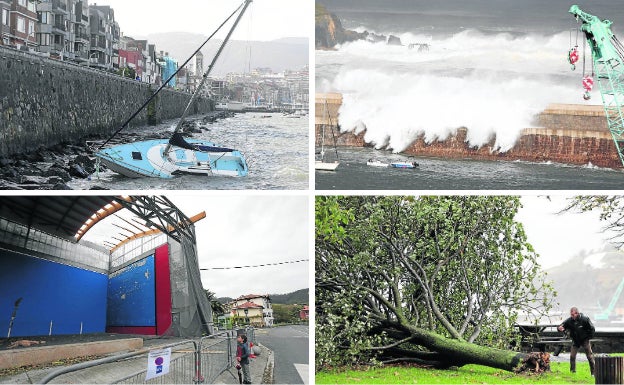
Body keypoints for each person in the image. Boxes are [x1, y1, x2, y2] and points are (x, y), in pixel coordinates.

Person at [557, 307, 596, 374]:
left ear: (577, 313)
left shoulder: (585, 319)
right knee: (572, 356)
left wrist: (589, 337)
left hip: (585, 340)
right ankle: (573, 372)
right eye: (571, 315)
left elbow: (592, 328)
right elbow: (561, 325)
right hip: (575, 340)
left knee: (589, 356)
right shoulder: (569, 320)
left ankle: (593, 372)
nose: (572, 316)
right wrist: (559, 328)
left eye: (573, 315)